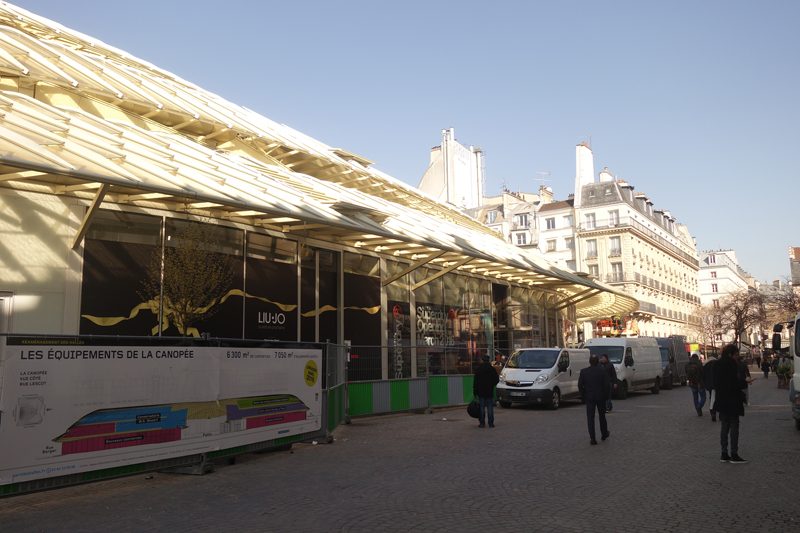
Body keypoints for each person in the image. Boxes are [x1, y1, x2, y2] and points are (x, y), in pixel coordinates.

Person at [713, 344, 754, 464]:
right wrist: (745, 382)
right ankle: (734, 454)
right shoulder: (731, 364)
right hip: (732, 400)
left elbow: (717, 382)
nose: (737, 357)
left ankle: (724, 453)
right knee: (734, 426)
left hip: (721, 399)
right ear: (731, 354)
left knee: (724, 426)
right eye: (736, 355)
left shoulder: (716, 364)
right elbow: (733, 383)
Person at [578, 354, 611, 445]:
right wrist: (606, 396)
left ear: (589, 362)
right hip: (600, 396)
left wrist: (583, 395)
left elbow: (580, 385)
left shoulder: (584, 372)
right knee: (602, 416)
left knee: (590, 417)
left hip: (589, 397)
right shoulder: (602, 371)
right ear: (598, 362)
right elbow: (606, 385)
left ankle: (592, 438)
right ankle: (604, 433)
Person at [473, 353, 500, 428]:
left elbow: (476, 381)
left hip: (480, 391)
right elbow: (497, 379)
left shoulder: (479, 370)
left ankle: (482, 423)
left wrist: (475, 391)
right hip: (489, 391)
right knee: (490, 407)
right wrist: (491, 384)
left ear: (482, 360)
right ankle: (491, 423)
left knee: (481, 407)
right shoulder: (492, 369)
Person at [702, 352, 718, 422]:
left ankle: (713, 413)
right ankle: (721, 415)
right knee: (719, 398)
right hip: (718, 384)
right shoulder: (718, 364)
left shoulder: (706, 365)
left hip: (710, 385)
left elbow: (703, 376)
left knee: (712, 399)